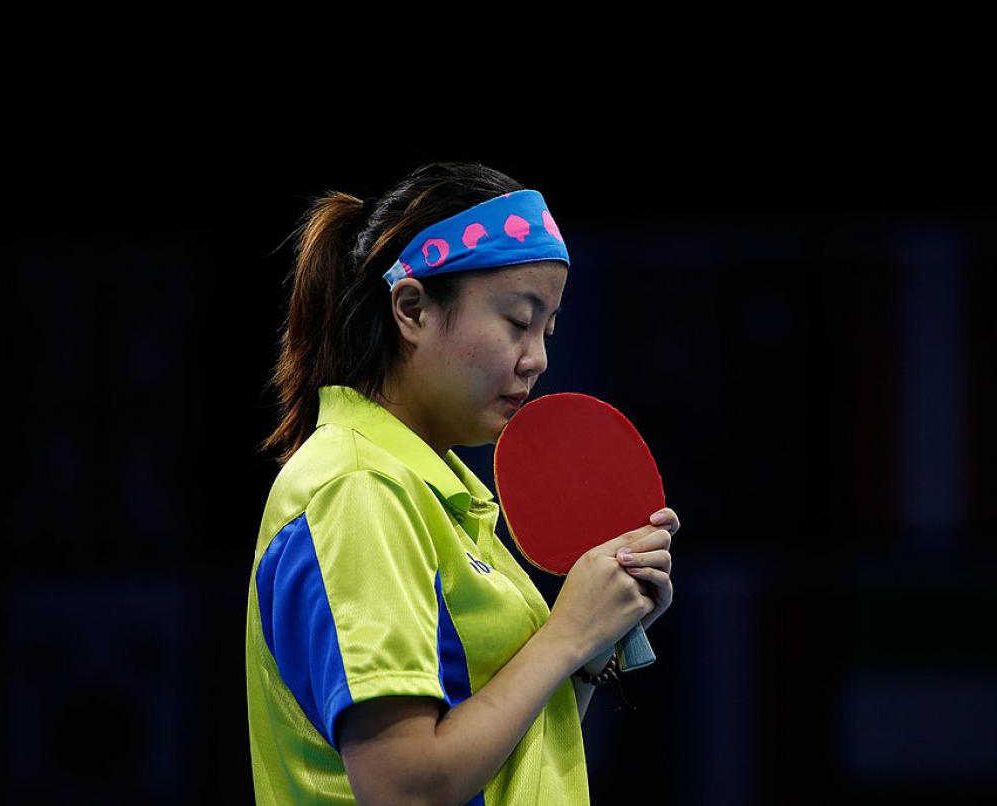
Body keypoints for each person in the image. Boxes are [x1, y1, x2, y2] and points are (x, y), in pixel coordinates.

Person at [245, 161, 680, 805]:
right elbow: (405, 791)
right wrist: (566, 635)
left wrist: (590, 651)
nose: (538, 358)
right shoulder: (359, 489)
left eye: (548, 327)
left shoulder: (440, 494)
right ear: (413, 309)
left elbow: (515, 769)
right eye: (517, 320)